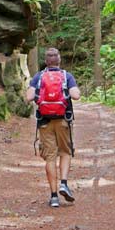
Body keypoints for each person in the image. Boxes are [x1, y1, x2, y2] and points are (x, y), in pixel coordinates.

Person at [25, 47, 81, 208]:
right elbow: (76, 95)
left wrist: (39, 96)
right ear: (59, 60)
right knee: (65, 152)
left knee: (50, 158)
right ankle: (64, 183)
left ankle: (54, 196)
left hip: (44, 122)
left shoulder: (39, 76)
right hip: (63, 120)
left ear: (46, 61)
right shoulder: (66, 76)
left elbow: (28, 97)